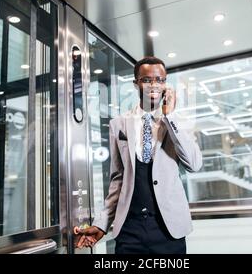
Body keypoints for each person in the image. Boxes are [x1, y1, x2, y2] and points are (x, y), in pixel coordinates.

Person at [76, 57, 203, 254]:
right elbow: (117, 179)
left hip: (169, 231)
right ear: (136, 84)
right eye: (147, 80)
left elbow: (194, 164)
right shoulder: (118, 124)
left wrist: (169, 116)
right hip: (130, 231)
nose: (154, 85)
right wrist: (102, 224)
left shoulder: (179, 122)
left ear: (166, 85)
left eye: (160, 80)